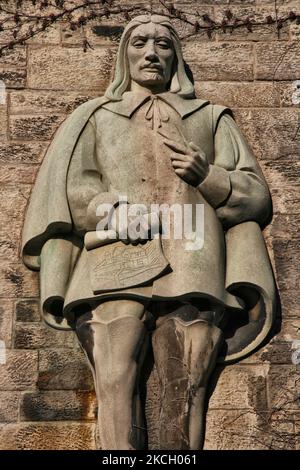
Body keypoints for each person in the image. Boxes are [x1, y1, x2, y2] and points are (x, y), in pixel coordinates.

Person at [22, 15, 276, 450]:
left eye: (163, 44)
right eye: (139, 43)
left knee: (189, 382)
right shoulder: (96, 118)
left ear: (176, 57)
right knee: (115, 374)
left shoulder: (211, 118)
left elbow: (255, 196)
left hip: (193, 261)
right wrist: (110, 206)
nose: (151, 52)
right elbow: (74, 187)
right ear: (125, 55)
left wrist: (209, 176)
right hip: (113, 259)